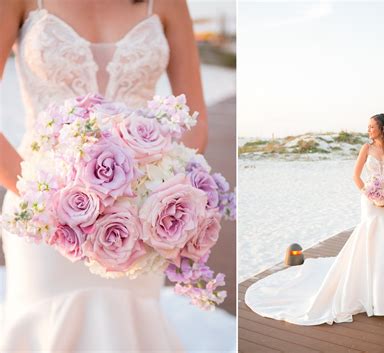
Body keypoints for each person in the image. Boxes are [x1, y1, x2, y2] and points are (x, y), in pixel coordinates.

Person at [0, 0, 234, 351]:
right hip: (41, 215)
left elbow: (195, 118)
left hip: (139, 221)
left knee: (129, 326)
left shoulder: (168, 3)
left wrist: (158, 198)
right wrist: (47, 204)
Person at [245, 114, 384, 326]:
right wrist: (370, 195)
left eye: (372, 126)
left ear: (383, 129)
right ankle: (368, 288)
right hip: (369, 201)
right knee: (370, 233)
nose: (368, 129)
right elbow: (356, 176)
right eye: (368, 126)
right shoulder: (366, 148)